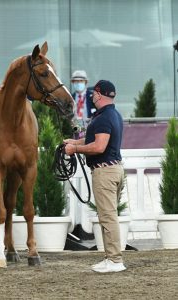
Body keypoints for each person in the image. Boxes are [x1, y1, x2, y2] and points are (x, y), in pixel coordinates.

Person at [64, 80, 126, 273]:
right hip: (114, 169)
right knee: (108, 216)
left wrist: (74, 149)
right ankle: (111, 257)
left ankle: (115, 260)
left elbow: (99, 146)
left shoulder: (102, 118)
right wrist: (74, 141)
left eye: (94, 93)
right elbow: (95, 139)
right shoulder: (112, 115)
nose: (91, 96)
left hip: (105, 171)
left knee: (107, 217)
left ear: (99, 94)